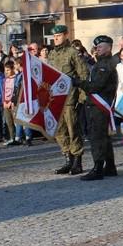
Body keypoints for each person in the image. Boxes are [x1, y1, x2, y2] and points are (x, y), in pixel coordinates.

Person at [47, 25, 89, 175]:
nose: (56, 38)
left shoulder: (73, 53)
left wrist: (82, 98)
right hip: (55, 99)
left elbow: (83, 75)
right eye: (54, 36)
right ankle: (67, 159)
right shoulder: (51, 54)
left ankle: (77, 161)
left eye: (58, 35)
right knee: (60, 130)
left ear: (66, 35)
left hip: (70, 98)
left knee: (73, 130)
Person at [79, 35, 119, 181]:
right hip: (98, 105)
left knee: (97, 137)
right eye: (96, 47)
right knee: (104, 137)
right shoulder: (100, 63)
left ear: (109, 48)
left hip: (99, 106)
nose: (97, 49)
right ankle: (110, 166)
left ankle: (98, 168)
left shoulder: (105, 65)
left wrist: (79, 83)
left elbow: (95, 86)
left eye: (100, 47)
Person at [2, 61, 19, 146]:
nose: (6, 72)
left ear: (13, 69)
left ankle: (19, 137)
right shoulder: (5, 80)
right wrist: (4, 102)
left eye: (8, 70)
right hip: (6, 103)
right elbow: (4, 91)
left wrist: (12, 102)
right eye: (5, 70)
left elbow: (15, 91)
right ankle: (12, 137)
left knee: (16, 121)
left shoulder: (16, 79)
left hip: (13, 103)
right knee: (9, 121)